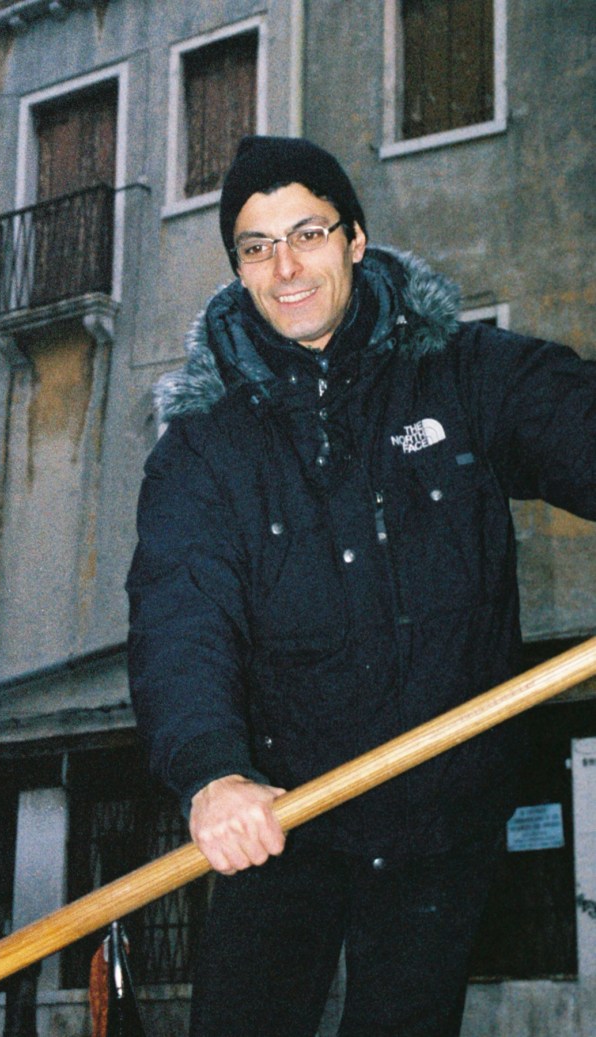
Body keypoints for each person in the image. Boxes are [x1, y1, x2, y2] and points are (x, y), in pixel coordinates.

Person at [126, 136, 596, 1036]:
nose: (286, 267)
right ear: (238, 269)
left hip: (440, 818)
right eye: (257, 246)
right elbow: (180, 614)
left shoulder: (459, 373)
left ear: (355, 239)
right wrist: (212, 772)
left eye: (307, 233)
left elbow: (574, 417)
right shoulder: (204, 447)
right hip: (279, 816)